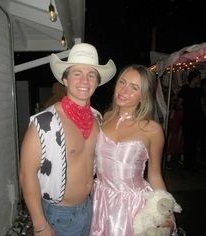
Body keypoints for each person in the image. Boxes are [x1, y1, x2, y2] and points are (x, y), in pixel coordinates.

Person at [19, 43, 116, 236]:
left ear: (97, 82)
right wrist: (40, 225)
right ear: (65, 79)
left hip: (90, 208)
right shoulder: (44, 122)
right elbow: (26, 174)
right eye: (77, 73)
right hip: (57, 215)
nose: (85, 81)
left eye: (91, 75)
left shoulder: (97, 119)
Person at [89, 64, 176, 236]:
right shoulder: (104, 118)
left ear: (143, 96)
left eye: (134, 87)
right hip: (100, 199)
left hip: (132, 206)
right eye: (122, 82)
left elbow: (155, 175)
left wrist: (169, 214)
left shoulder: (152, 130)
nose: (123, 90)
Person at [177, 69, 204, 172]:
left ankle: (193, 163)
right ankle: (188, 164)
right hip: (188, 120)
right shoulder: (185, 89)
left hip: (198, 119)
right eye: (199, 77)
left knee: (195, 141)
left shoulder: (199, 90)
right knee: (188, 142)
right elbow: (179, 104)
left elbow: (202, 105)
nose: (200, 79)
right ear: (194, 77)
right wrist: (186, 109)